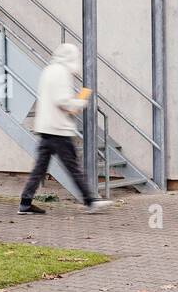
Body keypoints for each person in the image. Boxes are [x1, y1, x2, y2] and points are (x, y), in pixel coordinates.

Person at [19, 42, 113, 215]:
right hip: (58, 129)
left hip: (46, 128)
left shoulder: (49, 70)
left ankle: (25, 203)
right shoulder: (61, 72)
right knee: (73, 167)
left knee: (39, 169)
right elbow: (64, 102)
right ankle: (90, 201)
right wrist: (82, 99)